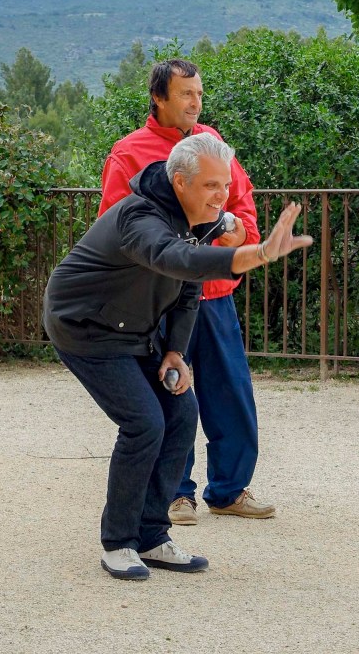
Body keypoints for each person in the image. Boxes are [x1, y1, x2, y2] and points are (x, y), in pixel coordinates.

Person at [45, 133, 310, 579]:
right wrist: (259, 253)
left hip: (137, 330)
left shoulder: (196, 219)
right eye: (211, 186)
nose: (222, 196)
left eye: (224, 186)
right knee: (144, 422)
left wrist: (175, 352)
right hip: (85, 327)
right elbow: (177, 260)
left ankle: (151, 535)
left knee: (182, 412)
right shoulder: (140, 217)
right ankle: (118, 542)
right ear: (181, 182)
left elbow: (190, 291)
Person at [99, 59, 273, 525]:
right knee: (171, 393)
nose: (195, 103)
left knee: (231, 392)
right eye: (185, 95)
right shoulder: (128, 153)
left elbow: (242, 207)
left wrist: (242, 239)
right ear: (159, 98)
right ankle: (176, 494)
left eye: (199, 94)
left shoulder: (215, 146)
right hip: (159, 302)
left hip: (213, 294)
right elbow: (118, 227)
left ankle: (230, 489)